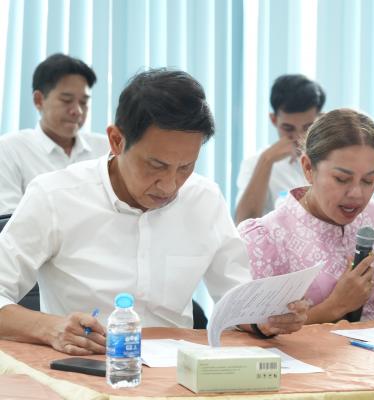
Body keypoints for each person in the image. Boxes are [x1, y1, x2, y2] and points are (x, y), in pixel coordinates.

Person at [0, 68, 308, 355]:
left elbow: (237, 299)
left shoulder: (204, 198)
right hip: (86, 367)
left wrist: (266, 319)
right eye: (156, 165)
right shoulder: (54, 196)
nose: (169, 185)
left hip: (177, 374)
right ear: (116, 140)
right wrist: (50, 327)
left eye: (185, 167)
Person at [239, 108, 374, 324]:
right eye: (342, 179)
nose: (357, 194)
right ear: (308, 168)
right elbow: (255, 331)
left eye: (368, 180)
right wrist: (336, 305)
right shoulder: (267, 238)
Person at [0, 53, 109, 215]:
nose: (77, 111)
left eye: (83, 102)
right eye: (66, 100)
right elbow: (9, 219)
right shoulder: (9, 149)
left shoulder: (106, 149)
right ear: (39, 100)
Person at [235, 74, 326, 224]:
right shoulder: (256, 162)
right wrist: (266, 161)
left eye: (307, 127)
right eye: (288, 128)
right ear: (274, 120)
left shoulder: (333, 161)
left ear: (320, 120)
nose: (298, 137)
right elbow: (243, 223)